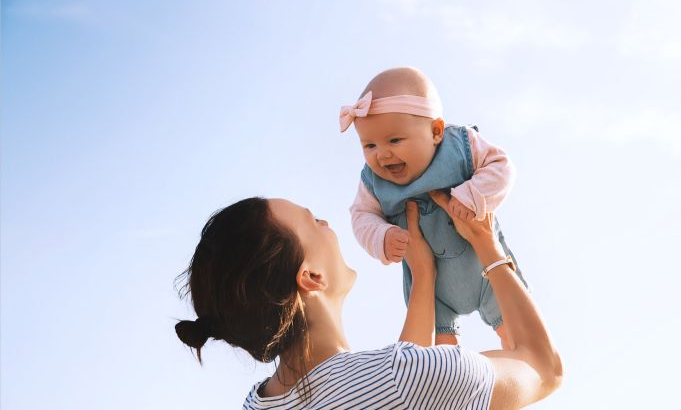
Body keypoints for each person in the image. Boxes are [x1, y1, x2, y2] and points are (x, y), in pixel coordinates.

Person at [175, 191, 562, 409]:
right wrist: (485, 242)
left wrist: (423, 276)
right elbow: (545, 369)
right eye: (314, 222)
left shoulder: (257, 404)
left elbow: (397, 386)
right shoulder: (407, 378)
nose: (327, 225)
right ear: (310, 277)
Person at [342, 67, 527, 348]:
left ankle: (519, 363)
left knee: (517, 334)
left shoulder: (460, 145)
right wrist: (381, 236)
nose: (382, 154)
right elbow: (361, 215)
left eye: (394, 140)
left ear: (436, 131)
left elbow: (502, 167)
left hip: (486, 267)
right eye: (369, 145)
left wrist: (473, 195)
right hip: (433, 287)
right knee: (438, 355)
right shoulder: (372, 183)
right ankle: (452, 383)